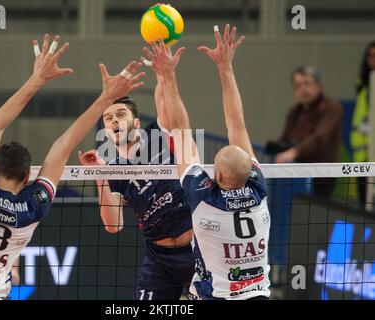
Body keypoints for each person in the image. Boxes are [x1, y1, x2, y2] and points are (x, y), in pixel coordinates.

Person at [0, 34, 145, 300]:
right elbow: (63, 146)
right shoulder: (32, 207)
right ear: (27, 177)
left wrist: (36, 79)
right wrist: (106, 98)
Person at [148, 25, 271, 299]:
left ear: (217, 174)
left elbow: (180, 130)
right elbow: (237, 125)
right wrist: (226, 68)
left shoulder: (204, 197)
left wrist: (167, 76)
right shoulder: (258, 190)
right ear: (251, 170)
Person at [78, 48, 195, 300]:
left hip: (196, 248)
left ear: (137, 123)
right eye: (108, 118)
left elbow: (165, 103)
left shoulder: (158, 137)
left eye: (120, 115)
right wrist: (100, 176)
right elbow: (113, 225)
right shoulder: (115, 171)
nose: (114, 121)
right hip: (159, 258)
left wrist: (164, 73)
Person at [269, 66, 343, 199]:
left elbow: (320, 137)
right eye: (298, 85)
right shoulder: (294, 111)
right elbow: (284, 138)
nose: (303, 89)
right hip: (296, 174)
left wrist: (294, 151)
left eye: (307, 83)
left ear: (319, 86)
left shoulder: (332, 107)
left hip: (322, 175)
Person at [350, 41, 375, 208]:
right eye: (370, 56)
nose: (373, 59)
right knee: (363, 208)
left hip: (373, 157)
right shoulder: (363, 84)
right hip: (361, 158)